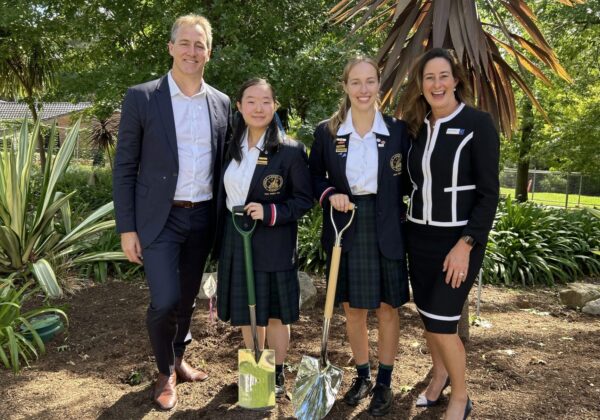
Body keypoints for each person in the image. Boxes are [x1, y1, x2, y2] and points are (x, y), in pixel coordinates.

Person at [113, 15, 231, 411]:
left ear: (208, 53)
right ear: (170, 47)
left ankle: (180, 359)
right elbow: (125, 167)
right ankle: (164, 372)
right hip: (158, 220)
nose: (191, 52)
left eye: (199, 45)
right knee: (163, 300)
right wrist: (126, 228)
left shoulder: (221, 103)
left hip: (202, 218)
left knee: (186, 301)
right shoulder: (142, 97)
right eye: (184, 43)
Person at [398, 48, 500, 420]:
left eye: (443, 76)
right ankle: (438, 376)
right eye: (429, 78)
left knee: (443, 321)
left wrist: (466, 244)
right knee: (429, 318)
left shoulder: (478, 123)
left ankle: (461, 397)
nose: (436, 84)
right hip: (419, 238)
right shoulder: (416, 127)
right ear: (421, 85)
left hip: (458, 241)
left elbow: (490, 195)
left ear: (456, 80)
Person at [308, 56, 410, 416]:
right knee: (353, 310)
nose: (363, 89)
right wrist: (329, 194)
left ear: (379, 85)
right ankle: (362, 376)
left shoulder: (398, 130)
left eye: (370, 82)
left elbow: (413, 179)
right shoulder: (328, 131)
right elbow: (313, 177)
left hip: (387, 228)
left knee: (386, 308)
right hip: (345, 225)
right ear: (345, 86)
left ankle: (384, 381)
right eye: (355, 82)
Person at [215, 78, 313, 399]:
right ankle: (257, 371)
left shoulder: (290, 151)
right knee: (248, 309)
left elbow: (304, 200)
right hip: (237, 235)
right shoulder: (228, 147)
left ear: (275, 106)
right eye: (251, 101)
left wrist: (271, 212)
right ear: (239, 106)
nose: (259, 108)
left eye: (266, 101)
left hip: (274, 240)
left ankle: (278, 373)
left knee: (272, 313)